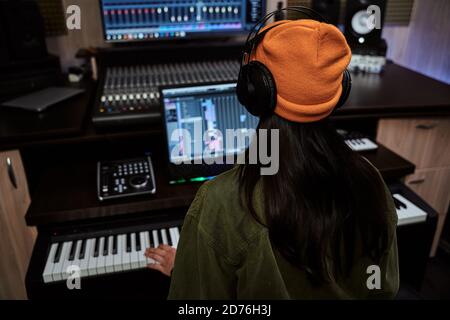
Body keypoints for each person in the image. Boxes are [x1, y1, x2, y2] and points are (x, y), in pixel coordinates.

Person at [145, 15, 399, 299]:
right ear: (338, 90)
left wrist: (188, 269)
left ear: (254, 91)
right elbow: (383, 291)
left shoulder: (221, 201)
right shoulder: (370, 181)